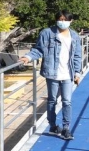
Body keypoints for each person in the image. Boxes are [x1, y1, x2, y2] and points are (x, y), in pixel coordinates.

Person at [20, 10, 82, 140]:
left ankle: (66, 128)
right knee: (52, 100)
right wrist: (28, 57)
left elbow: (77, 55)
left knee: (67, 101)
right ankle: (53, 126)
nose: (62, 22)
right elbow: (38, 50)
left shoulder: (74, 36)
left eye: (65, 20)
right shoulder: (47, 33)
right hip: (52, 73)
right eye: (60, 19)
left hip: (67, 74)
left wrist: (77, 73)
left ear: (71, 21)